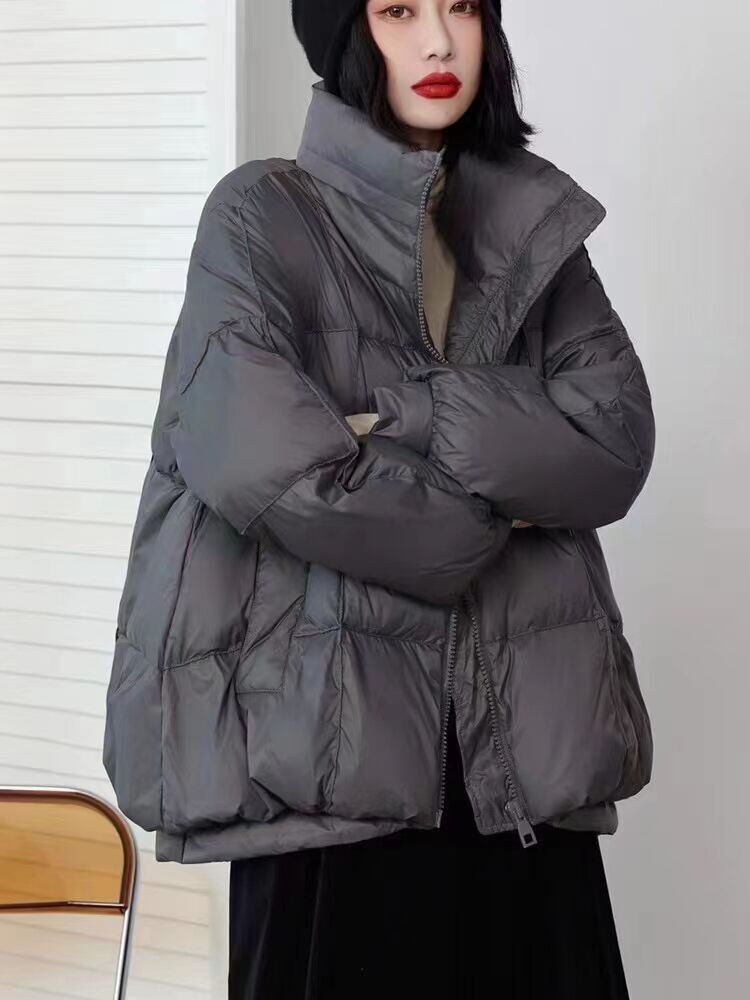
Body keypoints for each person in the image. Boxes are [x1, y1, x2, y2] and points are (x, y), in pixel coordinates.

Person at [101, 1, 656, 997]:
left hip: (520, 781)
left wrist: (405, 418)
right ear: (346, 33)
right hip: (331, 784)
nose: (439, 41)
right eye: (399, 10)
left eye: (463, 7)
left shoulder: (539, 230)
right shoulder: (259, 216)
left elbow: (613, 445)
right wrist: (503, 496)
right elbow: (278, 468)